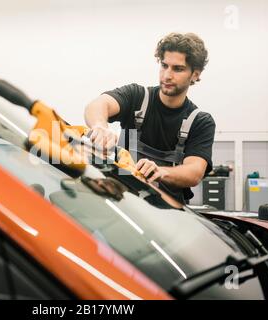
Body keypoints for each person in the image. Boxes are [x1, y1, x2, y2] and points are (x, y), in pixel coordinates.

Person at [84, 32, 216, 203]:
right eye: (164, 65)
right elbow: (97, 105)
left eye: (178, 69)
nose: (167, 75)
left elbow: (194, 172)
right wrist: (100, 126)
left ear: (195, 75)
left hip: (168, 213)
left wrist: (160, 172)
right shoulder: (137, 97)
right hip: (124, 203)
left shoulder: (199, 121)